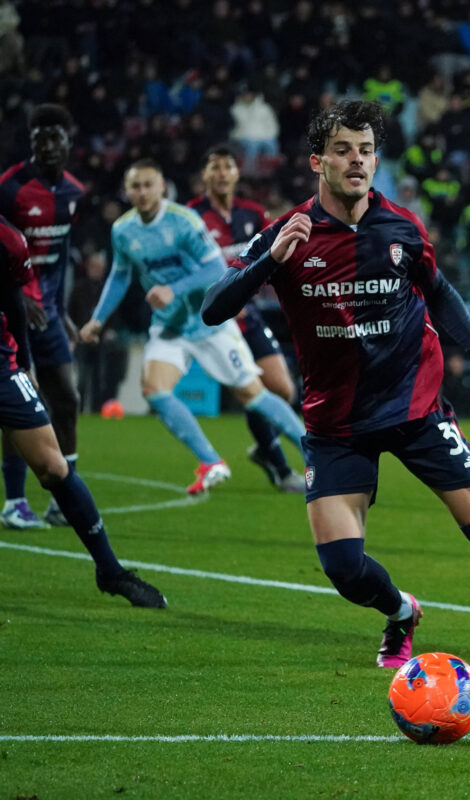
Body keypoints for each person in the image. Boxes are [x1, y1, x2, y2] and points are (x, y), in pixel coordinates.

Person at [200, 100, 470, 670]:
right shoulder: (287, 234)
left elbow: (441, 293)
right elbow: (212, 308)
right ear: (316, 161)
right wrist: (268, 262)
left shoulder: (401, 227)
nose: (357, 161)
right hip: (336, 423)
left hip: (416, 406)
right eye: (344, 150)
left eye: (367, 151)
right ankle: (401, 613)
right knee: (344, 570)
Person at [79, 160, 306, 495]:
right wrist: (98, 319)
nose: (142, 193)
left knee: (253, 394)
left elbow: (214, 267)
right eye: (135, 187)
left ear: (161, 187)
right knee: (154, 390)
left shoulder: (183, 222)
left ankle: (316, 454)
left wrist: (174, 288)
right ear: (127, 191)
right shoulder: (123, 230)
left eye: (148, 185)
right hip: (170, 326)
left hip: (208, 322)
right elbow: (120, 274)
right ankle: (211, 462)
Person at [1, 213, 166, 607]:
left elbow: (14, 304)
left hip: (1, 365)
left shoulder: (9, 241)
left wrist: (24, 363)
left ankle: (109, 570)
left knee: (55, 468)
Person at [188, 144, 304, 493]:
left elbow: (278, 253)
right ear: (205, 175)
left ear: (237, 174)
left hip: (248, 315)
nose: (222, 173)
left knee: (282, 389)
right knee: (253, 392)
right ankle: (281, 468)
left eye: (227, 167)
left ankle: (265, 446)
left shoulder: (253, 214)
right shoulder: (192, 216)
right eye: (215, 167)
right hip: (214, 322)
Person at [0, 104, 85, 529]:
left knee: (67, 400)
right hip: (12, 310)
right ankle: (15, 501)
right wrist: (16, 295)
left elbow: (61, 255)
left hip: (48, 313)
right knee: (20, 404)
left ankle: (60, 501)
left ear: (69, 142)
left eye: (55, 137)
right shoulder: (10, 188)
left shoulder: (73, 192)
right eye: (40, 139)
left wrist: (63, 310)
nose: (48, 145)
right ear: (31, 143)